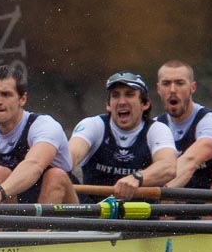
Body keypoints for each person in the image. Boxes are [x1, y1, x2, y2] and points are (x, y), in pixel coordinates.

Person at [67, 72, 178, 200]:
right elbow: (68, 160)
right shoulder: (93, 125)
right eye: (115, 96)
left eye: (129, 95)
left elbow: (169, 167)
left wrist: (137, 178)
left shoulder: (157, 129)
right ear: (108, 105)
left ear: (145, 103)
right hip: (94, 213)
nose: (121, 102)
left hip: (141, 215)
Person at [0, 66, 75, 204]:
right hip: (17, 210)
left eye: (6, 94)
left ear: (22, 99)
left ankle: (40, 226)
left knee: (55, 175)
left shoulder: (45, 126)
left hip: (61, 210)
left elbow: (34, 164)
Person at [153, 61, 212, 190]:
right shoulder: (155, 126)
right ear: (158, 89)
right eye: (166, 84)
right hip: (180, 204)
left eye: (180, 83)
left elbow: (190, 160)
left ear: (193, 87)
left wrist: (160, 194)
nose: (172, 90)